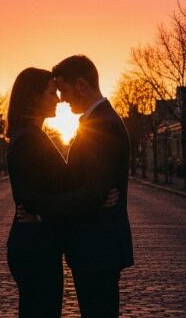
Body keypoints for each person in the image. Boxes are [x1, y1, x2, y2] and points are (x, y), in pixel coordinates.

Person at [5, 67, 118, 318]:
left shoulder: (34, 136)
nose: (57, 99)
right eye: (51, 92)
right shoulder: (28, 140)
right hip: (35, 248)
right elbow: (30, 197)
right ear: (34, 97)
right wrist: (94, 203)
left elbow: (60, 186)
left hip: (39, 246)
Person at [53, 55, 133, 318]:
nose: (62, 98)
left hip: (97, 245)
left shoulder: (102, 124)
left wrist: (48, 210)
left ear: (81, 85)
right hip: (96, 244)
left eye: (63, 90)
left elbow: (95, 189)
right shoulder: (96, 120)